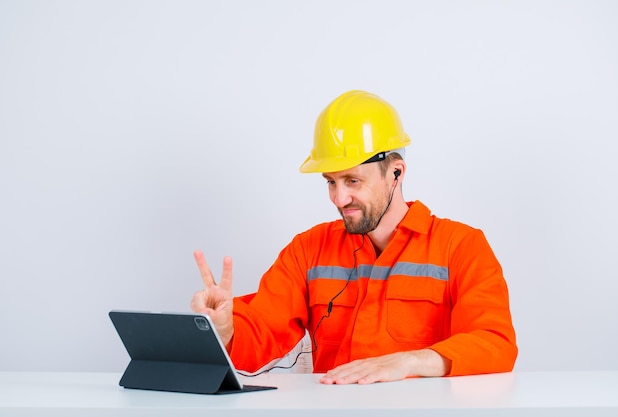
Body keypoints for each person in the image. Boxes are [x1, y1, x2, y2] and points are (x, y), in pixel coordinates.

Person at [191, 90, 517, 385]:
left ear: (396, 173)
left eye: (352, 181)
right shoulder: (308, 250)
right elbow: (262, 333)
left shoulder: (460, 246)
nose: (339, 199)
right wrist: (225, 330)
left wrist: (410, 361)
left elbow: (495, 342)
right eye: (331, 182)